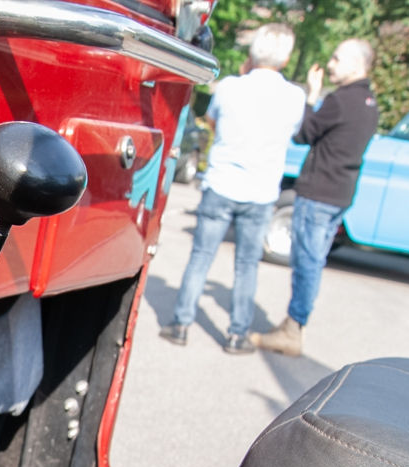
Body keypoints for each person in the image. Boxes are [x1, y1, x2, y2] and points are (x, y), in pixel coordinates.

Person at [159, 23, 305, 354]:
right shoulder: (295, 97)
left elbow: (211, 122)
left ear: (253, 52)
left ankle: (181, 324)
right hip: (262, 190)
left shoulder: (228, 88)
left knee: (201, 255)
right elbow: (294, 132)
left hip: (222, 183)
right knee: (247, 264)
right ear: (285, 58)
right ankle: (237, 334)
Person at [253, 39, 379, 356]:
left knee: (306, 262)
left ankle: (293, 330)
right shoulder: (369, 102)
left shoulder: (341, 100)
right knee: (315, 260)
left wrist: (311, 94)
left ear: (355, 64)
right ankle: (294, 324)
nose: (331, 63)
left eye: (336, 58)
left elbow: (303, 133)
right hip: (341, 192)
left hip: (319, 190)